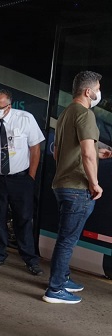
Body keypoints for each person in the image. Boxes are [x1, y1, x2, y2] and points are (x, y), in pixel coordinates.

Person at [43, 71, 112, 304]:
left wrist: (97, 153)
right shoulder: (85, 114)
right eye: (98, 88)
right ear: (88, 91)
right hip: (77, 187)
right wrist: (94, 183)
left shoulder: (66, 114)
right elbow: (85, 152)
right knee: (67, 240)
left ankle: (62, 278)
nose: (99, 92)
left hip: (62, 183)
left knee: (65, 237)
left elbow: (58, 151)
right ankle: (55, 289)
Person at [0, 89, 45, 275]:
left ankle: (30, 259)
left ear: (8, 106)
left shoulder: (25, 119)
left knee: (24, 219)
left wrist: (31, 177)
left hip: (21, 179)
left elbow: (35, 149)